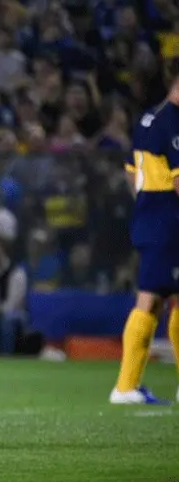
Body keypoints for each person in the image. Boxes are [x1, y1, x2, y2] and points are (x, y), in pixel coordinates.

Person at [109, 77, 179, 405]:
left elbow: (128, 170)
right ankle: (125, 387)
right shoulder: (173, 122)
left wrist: (144, 201)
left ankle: (127, 386)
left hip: (150, 216)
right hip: (168, 218)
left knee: (161, 297)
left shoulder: (147, 117)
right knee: (151, 299)